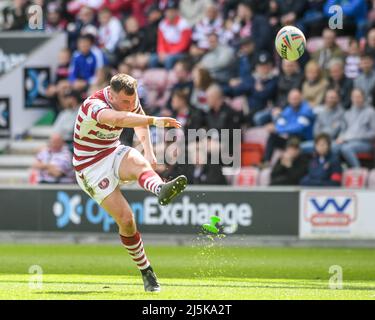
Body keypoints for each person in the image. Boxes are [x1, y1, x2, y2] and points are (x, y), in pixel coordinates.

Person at [73, 73, 188, 292]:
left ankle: (160, 188)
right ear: (112, 95)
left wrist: (150, 152)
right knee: (126, 220)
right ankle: (146, 270)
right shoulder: (94, 105)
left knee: (138, 162)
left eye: (132, 101)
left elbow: (138, 121)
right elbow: (119, 120)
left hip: (111, 151)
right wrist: (155, 120)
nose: (130, 105)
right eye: (124, 102)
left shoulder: (130, 101)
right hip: (90, 168)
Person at [264, 89, 315, 162]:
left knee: (293, 136)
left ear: (301, 98)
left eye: (296, 99)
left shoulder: (306, 110)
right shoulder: (288, 109)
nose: (294, 101)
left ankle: (287, 162)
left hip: (303, 138)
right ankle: (266, 162)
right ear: (288, 100)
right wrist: (276, 128)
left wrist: (278, 129)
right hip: (290, 139)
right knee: (273, 137)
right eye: (292, 99)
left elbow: (299, 128)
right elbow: (280, 122)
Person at [335, 88, 375, 168]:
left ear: (363, 97)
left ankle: (358, 170)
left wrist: (352, 137)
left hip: (365, 143)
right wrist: (340, 137)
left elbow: (373, 133)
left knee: (346, 148)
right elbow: (343, 130)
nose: (356, 99)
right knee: (333, 147)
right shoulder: (347, 113)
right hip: (348, 141)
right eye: (354, 97)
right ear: (351, 98)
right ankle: (337, 171)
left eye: (359, 97)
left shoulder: (371, 112)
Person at [149, 0, 192, 70]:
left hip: (182, 53)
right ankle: (154, 79)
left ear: (177, 12)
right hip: (166, 53)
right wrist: (161, 52)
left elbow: (184, 45)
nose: (170, 13)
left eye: (172, 11)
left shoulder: (184, 24)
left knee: (169, 59)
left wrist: (169, 53)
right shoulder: (162, 24)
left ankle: (168, 78)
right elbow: (160, 42)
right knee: (153, 59)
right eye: (168, 11)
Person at [301, 89, 345, 154]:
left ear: (338, 99)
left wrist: (323, 140)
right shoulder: (321, 112)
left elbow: (339, 130)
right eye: (329, 98)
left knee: (334, 148)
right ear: (325, 99)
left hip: (333, 142)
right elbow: (316, 129)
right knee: (300, 147)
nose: (330, 100)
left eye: (333, 98)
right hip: (319, 141)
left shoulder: (342, 113)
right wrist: (320, 140)